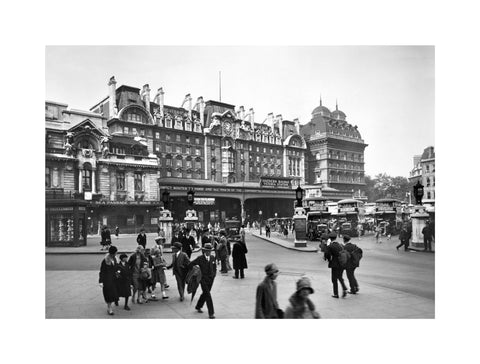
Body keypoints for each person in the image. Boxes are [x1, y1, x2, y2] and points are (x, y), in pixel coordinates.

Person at [188, 242, 217, 319]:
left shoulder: (213, 258)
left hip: (211, 279)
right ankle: (211, 313)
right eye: (207, 250)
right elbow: (190, 264)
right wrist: (196, 271)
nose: (208, 252)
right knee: (208, 295)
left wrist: (214, 275)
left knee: (205, 293)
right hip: (203, 279)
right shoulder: (200, 258)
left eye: (210, 250)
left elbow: (214, 268)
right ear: (204, 251)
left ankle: (198, 306)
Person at [324, 232, 348, 298]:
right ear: (336, 238)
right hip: (342, 263)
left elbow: (327, 255)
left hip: (334, 264)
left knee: (334, 279)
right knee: (340, 277)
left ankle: (336, 294)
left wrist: (328, 259)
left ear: (330, 239)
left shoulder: (330, 246)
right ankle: (344, 288)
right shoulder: (340, 245)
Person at [98, 245, 119, 315]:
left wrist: (118, 272)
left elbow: (117, 267)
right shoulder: (105, 261)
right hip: (107, 280)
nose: (117, 253)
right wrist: (101, 281)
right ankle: (109, 308)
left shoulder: (115, 259)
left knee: (113, 293)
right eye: (116, 252)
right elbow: (102, 271)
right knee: (109, 295)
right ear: (112, 253)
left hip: (114, 279)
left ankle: (112, 303)